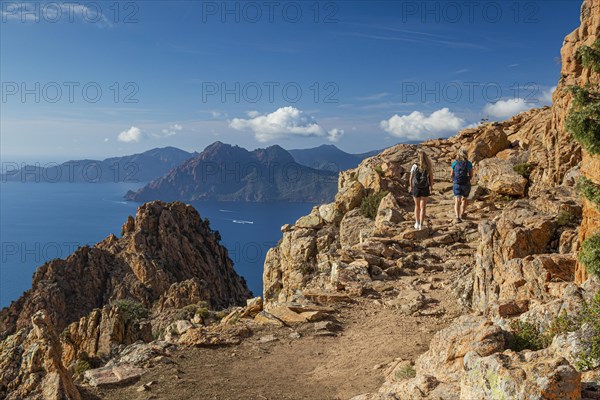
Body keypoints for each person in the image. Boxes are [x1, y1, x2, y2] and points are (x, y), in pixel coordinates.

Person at [409, 151, 433, 230]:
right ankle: (421, 225)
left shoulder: (414, 166)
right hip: (425, 188)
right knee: (423, 207)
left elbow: (411, 178)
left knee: (417, 206)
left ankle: (417, 223)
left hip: (416, 188)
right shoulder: (427, 166)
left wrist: (411, 187)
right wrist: (431, 187)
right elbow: (431, 178)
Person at [451, 148, 474, 223]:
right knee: (464, 199)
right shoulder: (469, 163)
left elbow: (451, 174)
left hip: (457, 183)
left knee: (457, 200)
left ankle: (457, 217)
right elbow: (471, 175)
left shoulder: (455, 163)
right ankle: (462, 214)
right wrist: (468, 179)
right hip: (466, 183)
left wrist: (454, 179)